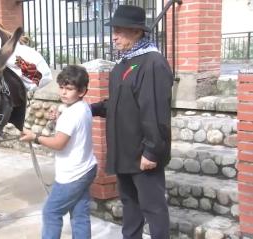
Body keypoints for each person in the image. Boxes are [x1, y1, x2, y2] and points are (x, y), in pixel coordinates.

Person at [90, 5, 173, 239]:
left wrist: (152, 152)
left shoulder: (152, 63)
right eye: (113, 29)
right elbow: (117, 104)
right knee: (130, 205)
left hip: (143, 154)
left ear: (137, 32)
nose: (114, 35)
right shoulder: (122, 66)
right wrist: (89, 109)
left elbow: (155, 111)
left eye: (120, 30)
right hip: (123, 152)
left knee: (153, 208)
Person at [20, 65, 97, 239]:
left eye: (69, 89)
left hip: (72, 175)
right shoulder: (83, 108)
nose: (63, 92)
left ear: (82, 91)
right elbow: (73, 133)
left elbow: (59, 143)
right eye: (61, 87)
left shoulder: (71, 115)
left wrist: (35, 136)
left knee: (51, 212)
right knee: (80, 215)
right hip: (87, 168)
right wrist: (58, 120)